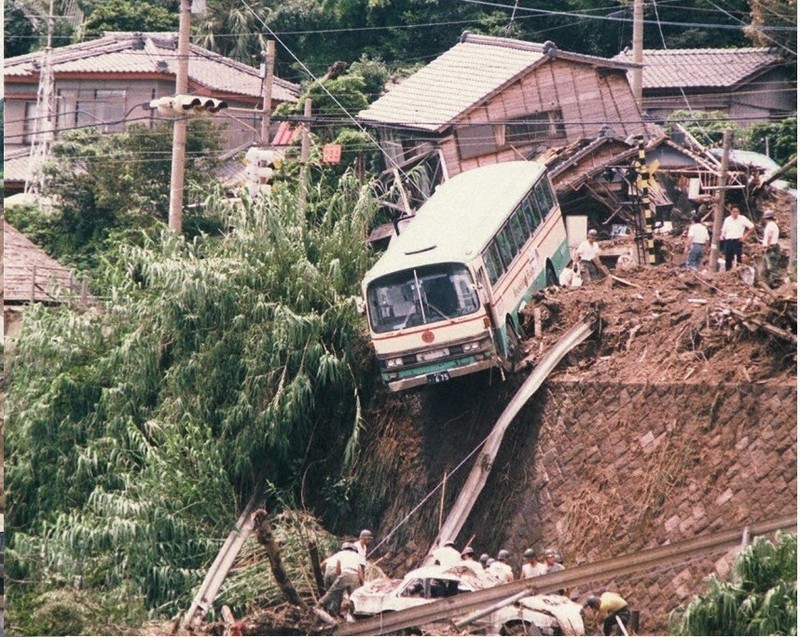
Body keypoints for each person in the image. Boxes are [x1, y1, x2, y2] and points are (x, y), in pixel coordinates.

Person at [318, 542, 363, 617]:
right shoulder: (355, 556)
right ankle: (354, 613)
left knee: (332, 592)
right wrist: (362, 583)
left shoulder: (337, 554)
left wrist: (325, 574)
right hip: (348, 574)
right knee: (348, 595)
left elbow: (323, 565)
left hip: (329, 571)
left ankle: (326, 610)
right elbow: (359, 572)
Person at [720, 205, 754, 270]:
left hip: (737, 240)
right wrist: (722, 235)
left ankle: (738, 272)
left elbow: (752, 227)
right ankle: (728, 272)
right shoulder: (727, 219)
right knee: (728, 258)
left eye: (737, 212)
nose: (735, 213)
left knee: (738, 257)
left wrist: (745, 236)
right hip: (728, 240)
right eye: (734, 212)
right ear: (731, 212)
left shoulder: (742, 218)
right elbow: (724, 230)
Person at [761, 210, 781, 285]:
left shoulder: (770, 225)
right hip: (772, 246)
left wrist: (767, 246)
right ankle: (769, 282)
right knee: (770, 265)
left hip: (771, 247)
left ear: (766, 218)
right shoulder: (774, 225)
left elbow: (769, 236)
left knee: (771, 266)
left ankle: (775, 282)